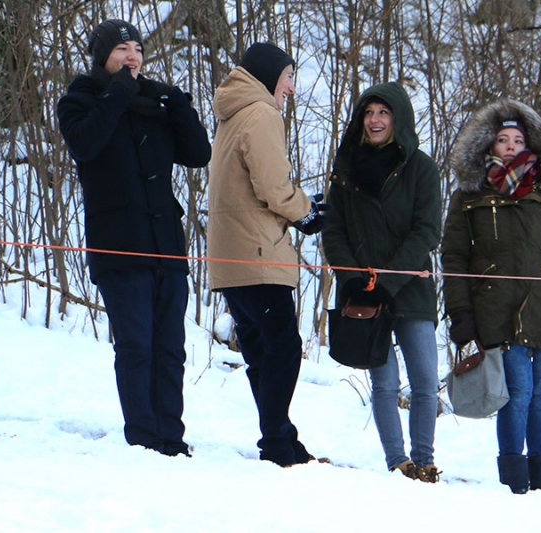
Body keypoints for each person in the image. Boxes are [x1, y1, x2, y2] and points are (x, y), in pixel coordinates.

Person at [57, 19, 211, 456]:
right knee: (136, 345)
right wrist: (119, 94)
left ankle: (171, 438)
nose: (132, 57)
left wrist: (179, 105)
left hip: (166, 242)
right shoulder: (80, 100)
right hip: (118, 245)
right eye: (123, 48)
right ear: (103, 56)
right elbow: (86, 145)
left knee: (170, 348)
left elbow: (199, 154)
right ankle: (143, 438)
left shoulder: (155, 101)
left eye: (138, 49)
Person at [441, 99, 541, 493]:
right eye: (502, 139)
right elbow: (453, 257)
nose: (509, 145)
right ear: (489, 147)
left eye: (517, 139)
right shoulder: (468, 197)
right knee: (517, 392)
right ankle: (514, 479)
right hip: (496, 306)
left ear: (529, 146)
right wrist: (460, 311)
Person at [207, 42, 328, 467]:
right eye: (288, 77)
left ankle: (279, 435)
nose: (291, 88)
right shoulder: (261, 113)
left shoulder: (232, 112)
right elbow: (274, 187)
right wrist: (308, 211)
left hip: (230, 254)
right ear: (269, 76)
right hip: (257, 252)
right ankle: (276, 442)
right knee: (283, 347)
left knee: (262, 349)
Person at [321, 82, 442, 482]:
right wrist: (354, 279)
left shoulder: (422, 168)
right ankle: (398, 463)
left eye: (383, 113)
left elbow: (426, 232)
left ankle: (424, 461)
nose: (374, 120)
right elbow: (333, 231)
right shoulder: (345, 166)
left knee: (425, 381)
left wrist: (388, 280)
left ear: (398, 119)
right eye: (369, 112)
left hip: (411, 289)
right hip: (362, 293)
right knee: (385, 383)